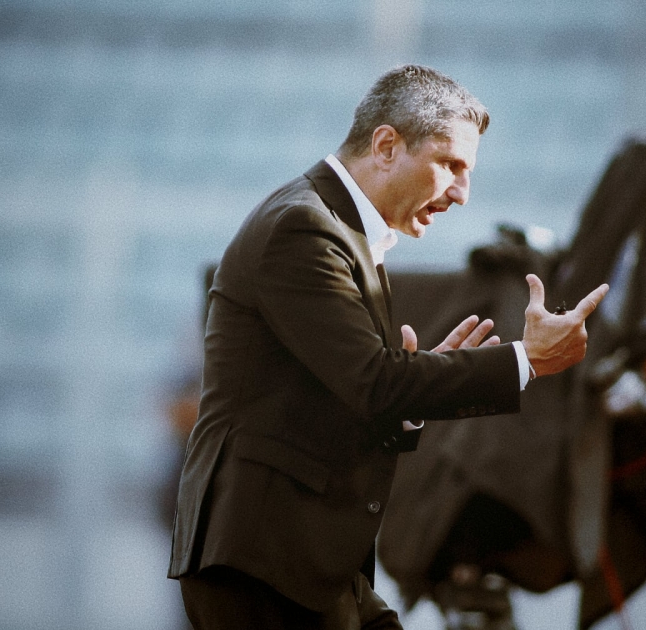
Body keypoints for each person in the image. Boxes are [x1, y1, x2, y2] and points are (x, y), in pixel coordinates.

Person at [167, 64, 610, 630]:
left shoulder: (342, 234)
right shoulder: (303, 229)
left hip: (310, 560)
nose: (462, 193)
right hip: (264, 559)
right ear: (385, 146)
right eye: (450, 165)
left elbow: (356, 392)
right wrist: (527, 360)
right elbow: (375, 383)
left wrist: (421, 382)